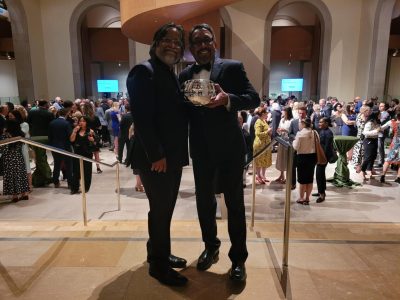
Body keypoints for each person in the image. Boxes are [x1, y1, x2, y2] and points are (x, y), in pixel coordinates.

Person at [179, 23, 260, 283]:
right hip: (201, 151)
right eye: (197, 42)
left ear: (214, 43)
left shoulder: (232, 67)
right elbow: (182, 113)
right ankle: (211, 247)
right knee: (204, 203)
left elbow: (253, 98)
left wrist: (228, 100)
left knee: (235, 205)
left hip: (229, 149)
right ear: (190, 48)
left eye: (207, 40)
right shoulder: (184, 75)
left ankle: (238, 260)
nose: (203, 45)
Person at [127, 23, 189, 286]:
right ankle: (158, 266)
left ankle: (159, 252)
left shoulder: (167, 72)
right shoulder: (144, 71)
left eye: (178, 43)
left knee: (164, 210)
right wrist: (156, 155)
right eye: (168, 40)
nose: (172, 46)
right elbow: (142, 118)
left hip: (171, 156)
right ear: (155, 43)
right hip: (157, 159)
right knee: (161, 210)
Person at [0, 120, 30, 202]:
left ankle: (15, 196)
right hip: (19, 157)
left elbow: (2, 147)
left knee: (11, 176)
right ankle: (24, 194)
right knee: (21, 174)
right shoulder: (21, 135)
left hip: (9, 158)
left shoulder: (5, 135)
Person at [69, 116, 96, 194]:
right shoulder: (76, 130)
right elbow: (71, 140)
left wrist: (92, 140)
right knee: (76, 171)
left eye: (83, 121)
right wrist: (74, 131)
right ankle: (74, 188)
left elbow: (96, 143)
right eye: (80, 121)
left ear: (86, 122)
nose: (81, 122)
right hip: (77, 153)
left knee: (87, 171)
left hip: (87, 153)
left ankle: (86, 187)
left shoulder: (90, 131)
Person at [293, 118, 317, 205]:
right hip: (312, 157)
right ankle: (307, 198)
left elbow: (295, 147)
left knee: (302, 180)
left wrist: (293, 142)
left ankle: (301, 198)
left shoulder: (300, 134)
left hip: (302, 158)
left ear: (303, 124)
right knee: (309, 179)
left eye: (299, 123)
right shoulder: (314, 133)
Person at [48, 108, 73, 189]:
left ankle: (56, 182)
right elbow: (70, 136)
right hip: (65, 147)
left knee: (57, 165)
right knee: (68, 165)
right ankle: (70, 183)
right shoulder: (66, 123)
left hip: (55, 146)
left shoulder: (52, 123)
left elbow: (50, 136)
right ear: (66, 114)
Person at [314, 117, 334, 203]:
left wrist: (323, 158)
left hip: (323, 157)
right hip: (321, 156)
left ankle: (322, 194)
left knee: (319, 175)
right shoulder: (322, 131)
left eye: (321, 122)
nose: (319, 124)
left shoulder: (328, 133)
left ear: (326, 123)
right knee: (320, 174)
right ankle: (320, 191)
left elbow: (327, 148)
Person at [253, 107, 272, 184]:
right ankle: (258, 176)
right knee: (259, 161)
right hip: (260, 145)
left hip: (265, 145)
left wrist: (269, 132)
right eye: (266, 113)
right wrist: (267, 132)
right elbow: (258, 134)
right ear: (263, 114)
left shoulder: (263, 121)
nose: (267, 114)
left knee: (264, 161)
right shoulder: (258, 122)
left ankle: (262, 176)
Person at [380, 112, 400, 183]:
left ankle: (383, 175)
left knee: (388, 159)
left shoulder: (392, 122)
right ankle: (398, 177)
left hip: (395, 143)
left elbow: (382, 128)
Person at [275, 106, 293, 183]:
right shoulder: (282, 119)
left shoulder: (292, 121)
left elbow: (292, 132)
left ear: (287, 112)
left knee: (286, 159)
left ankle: (287, 177)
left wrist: (284, 130)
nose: (282, 112)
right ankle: (281, 175)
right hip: (281, 140)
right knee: (281, 158)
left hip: (288, 142)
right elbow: (279, 128)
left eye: (284, 111)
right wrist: (278, 130)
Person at [360, 112, 381, 180]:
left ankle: (369, 171)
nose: (380, 115)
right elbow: (365, 132)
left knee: (373, 156)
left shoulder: (377, 122)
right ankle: (362, 171)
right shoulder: (369, 123)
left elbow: (379, 130)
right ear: (375, 115)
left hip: (375, 140)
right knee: (368, 157)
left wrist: (380, 130)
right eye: (379, 114)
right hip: (368, 140)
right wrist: (376, 131)